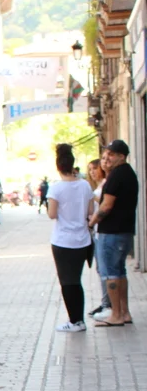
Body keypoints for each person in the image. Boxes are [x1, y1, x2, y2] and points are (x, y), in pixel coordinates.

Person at [47, 144, 96, 333]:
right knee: (76, 279)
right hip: (82, 240)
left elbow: (52, 214)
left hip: (62, 241)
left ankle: (75, 321)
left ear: (58, 166)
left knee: (66, 281)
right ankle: (78, 319)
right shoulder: (85, 185)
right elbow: (90, 211)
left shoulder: (56, 188)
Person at [90, 139, 139, 327]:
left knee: (110, 274)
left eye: (111, 154)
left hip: (111, 232)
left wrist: (92, 222)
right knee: (119, 272)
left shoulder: (116, 175)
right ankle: (124, 313)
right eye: (106, 154)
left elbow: (106, 205)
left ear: (121, 156)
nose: (107, 158)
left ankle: (116, 314)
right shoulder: (128, 173)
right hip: (124, 231)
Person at [86, 158, 111, 318]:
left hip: (102, 230)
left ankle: (108, 304)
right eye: (90, 169)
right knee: (100, 269)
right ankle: (105, 302)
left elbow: (105, 203)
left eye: (95, 168)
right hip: (96, 231)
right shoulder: (96, 187)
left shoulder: (106, 184)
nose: (92, 172)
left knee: (105, 269)